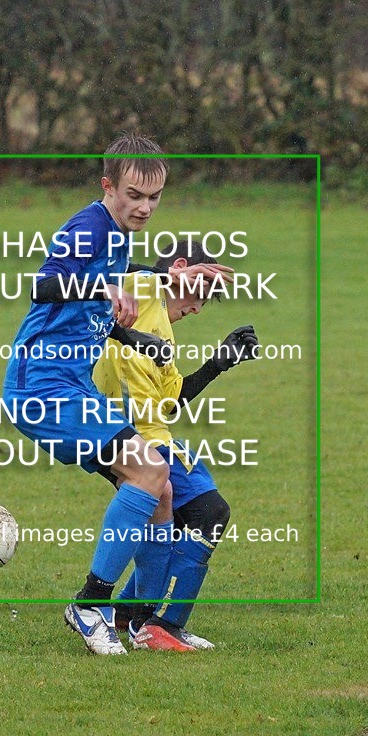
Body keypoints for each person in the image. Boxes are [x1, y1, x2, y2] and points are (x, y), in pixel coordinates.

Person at [2, 132, 232, 655]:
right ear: (108, 186)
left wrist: (136, 335)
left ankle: (141, 623)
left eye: (154, 197)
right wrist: (103, 289)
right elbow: (43, 286)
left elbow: (99, 307)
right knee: (150, 472)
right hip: (41, 385)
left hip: (71, 384)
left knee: (161, 491)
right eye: (134, 194)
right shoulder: (88, 226)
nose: (144, 207)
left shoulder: (118, 235)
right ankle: (89, 604)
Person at [92, 240, 259, 652]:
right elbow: (104, 267)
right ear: (180, 268)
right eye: (201, 292)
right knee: (210, 512)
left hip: (152, 435)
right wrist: (166, 274)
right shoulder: (142, 290)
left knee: (177, 518)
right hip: (133, 437)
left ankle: (130, 612)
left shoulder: (164, 331)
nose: (198, 307)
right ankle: (162, 624)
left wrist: (217, 364)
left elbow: (171, 400)